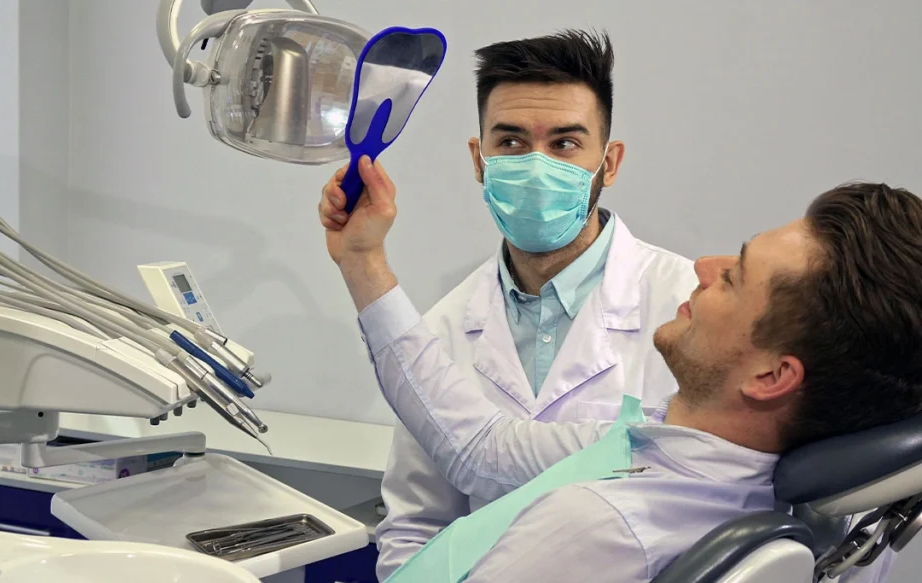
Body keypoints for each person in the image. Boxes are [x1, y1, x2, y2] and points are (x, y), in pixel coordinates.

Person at [322, 155, 921, 581]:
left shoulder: (600, 528)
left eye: (734, 275)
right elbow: (481, 448)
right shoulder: (706, 465)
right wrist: (362, 260)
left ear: (770, 378)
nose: (704, 267)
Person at [318, 29, 697, 579]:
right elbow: (416, 524)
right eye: (512, 143)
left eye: (565, 144)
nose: (537, 166)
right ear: (479, 158)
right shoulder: (442, 328)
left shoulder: (686, 307)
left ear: (608, 164)